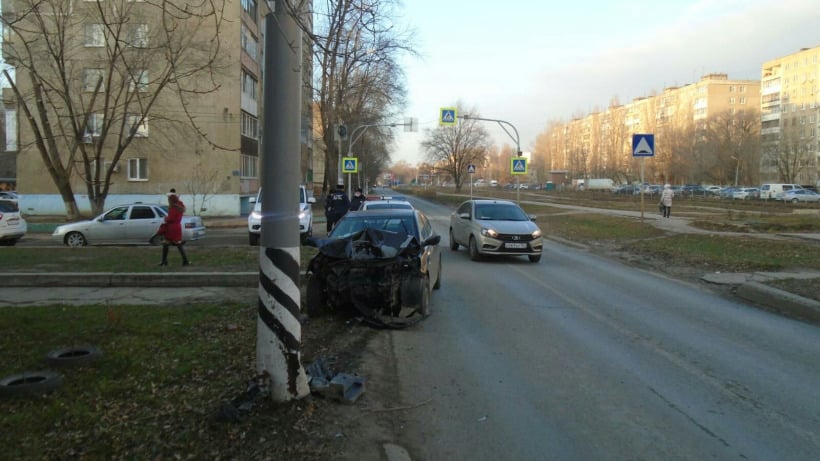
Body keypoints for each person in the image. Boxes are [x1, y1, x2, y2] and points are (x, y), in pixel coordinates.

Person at [157, 191, 191, 266]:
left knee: (167, 243)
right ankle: (185, 261)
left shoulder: (173, 208)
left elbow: (170, 218)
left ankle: (164, 261)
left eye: (169, 199)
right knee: (176, 243)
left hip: (171, 228)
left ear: (171, 200)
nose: (168, 201)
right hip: (177, 227)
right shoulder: (180, 207)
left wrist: (165, 218)